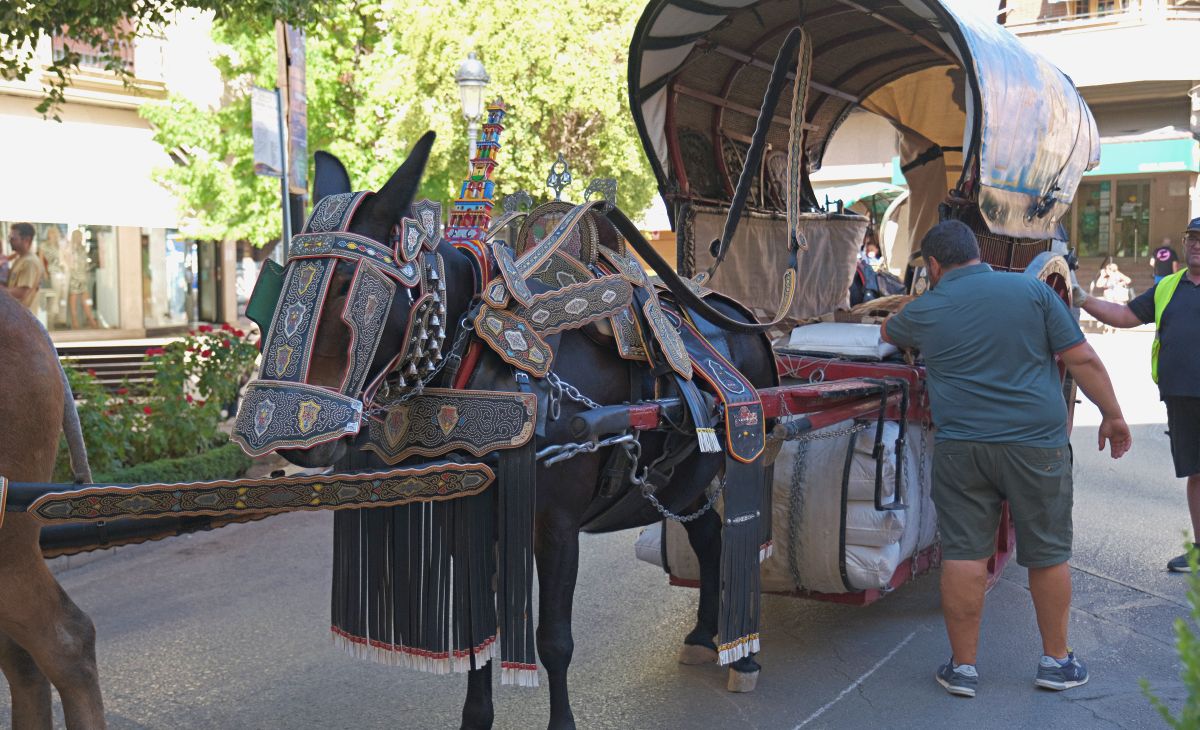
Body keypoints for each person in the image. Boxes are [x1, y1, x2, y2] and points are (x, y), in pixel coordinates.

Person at [881, 220, 1131, 698]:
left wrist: (922, 308)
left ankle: (964, 669)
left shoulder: (928, 306)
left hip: (962, 452)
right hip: (1037, 446)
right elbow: (1082, 360)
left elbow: (889, 330)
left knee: (964, 554)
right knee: (1048, 552)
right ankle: (1056, 661)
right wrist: (1113, 416)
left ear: (934, 266)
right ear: (978, 253)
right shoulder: (1031, 293)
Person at [1075, 217, 1200, 573]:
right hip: (1181, 396)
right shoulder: (1168, 287)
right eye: (1191, 238)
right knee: (1197, 473)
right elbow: (1125, 314)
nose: (1196, 244)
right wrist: (1083, 299)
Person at [4, 223, 45, 311]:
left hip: (23, 320)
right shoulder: (20, 258)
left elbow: (22, 292)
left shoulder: (30, 262)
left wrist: (2, 291)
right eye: (10, 238)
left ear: (27, 240)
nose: (10, 241)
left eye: (13, 239)